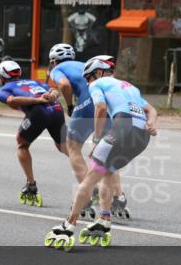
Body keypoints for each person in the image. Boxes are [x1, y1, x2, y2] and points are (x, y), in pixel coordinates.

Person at [45, 57, 157, 251]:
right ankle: (104, 218)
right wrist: (152, 123)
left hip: (123, 126)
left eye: (88, 79)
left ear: (95, 74)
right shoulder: (130, 86)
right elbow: (151, 110)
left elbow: (101, 108)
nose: (88, 84)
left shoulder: (97, 83)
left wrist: (97, 138)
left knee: (90, 177)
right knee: (107, 170)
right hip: (142, 137)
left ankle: (68, 225)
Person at [47, 45, 128, 219]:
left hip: (87, 100)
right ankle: (118, 196)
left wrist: (69, 105)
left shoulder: (58, 69)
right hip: (105, 102)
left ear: (53, 61)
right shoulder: (84, 63)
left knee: (73, 147)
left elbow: (64, 84)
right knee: (106, 152)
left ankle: (89, 192)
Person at [0, 59, 67, 207]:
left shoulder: (3, 89)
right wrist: (52, 96)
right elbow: (54, 90)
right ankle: (90, 177)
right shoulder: (33, 82)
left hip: (39, 113)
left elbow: (12, 100)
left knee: (22, 144)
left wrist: (37, 100)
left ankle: (31, 185)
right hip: (57, 110)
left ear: (1, 77)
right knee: (64, 147)